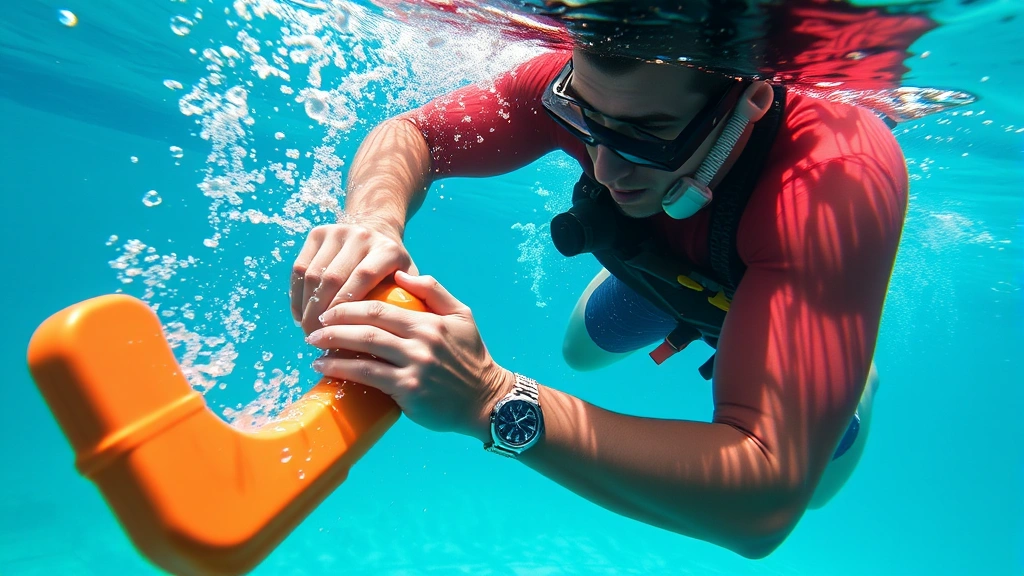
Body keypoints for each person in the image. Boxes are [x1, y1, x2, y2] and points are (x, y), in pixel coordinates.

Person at [292, 45, 907, 558]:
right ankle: (672, 289)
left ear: (750, 102)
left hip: (783, 303)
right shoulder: (586, 81)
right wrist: (372, 219)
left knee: (818, 486)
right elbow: (415, 131)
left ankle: (857, 378)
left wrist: (490, 399)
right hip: (659, 276)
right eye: (586, 119)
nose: (607, 167)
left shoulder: (835, 179)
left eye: (650, 135)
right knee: (578, 353)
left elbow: (764, 504)